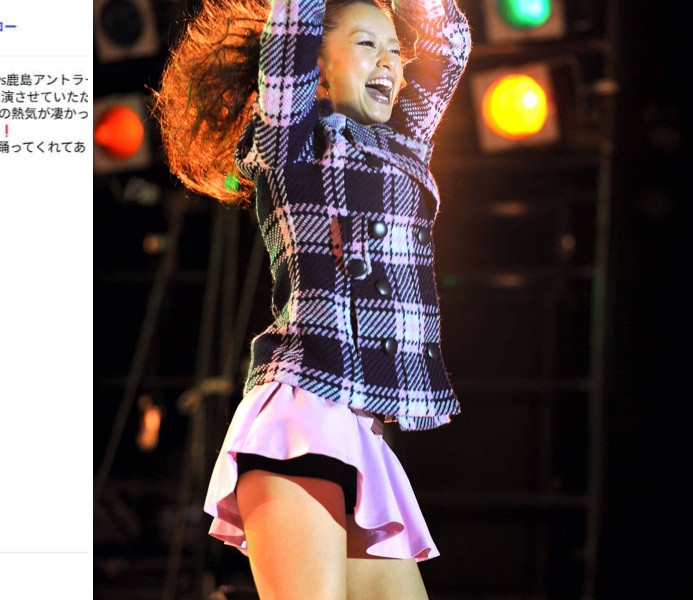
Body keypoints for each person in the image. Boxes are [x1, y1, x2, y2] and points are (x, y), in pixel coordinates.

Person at [154, 0, 470, 597]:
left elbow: (447, 42)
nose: (389, 62)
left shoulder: (405, 145)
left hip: (361, 431)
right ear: (317, 67)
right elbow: (293, 28)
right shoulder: (290, 142)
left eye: (395, 51)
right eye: (367, 44)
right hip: (302, 411)